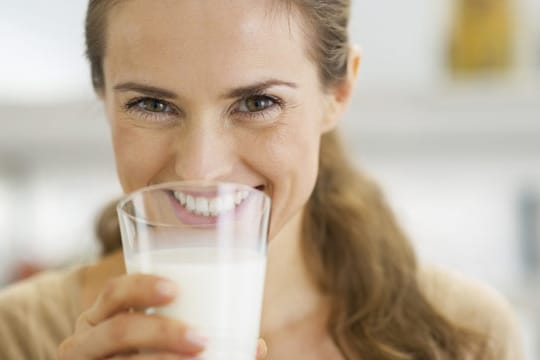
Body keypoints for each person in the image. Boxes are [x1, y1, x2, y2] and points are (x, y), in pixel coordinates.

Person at [0, 0, 523, 359]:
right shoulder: (20, 336)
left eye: (257, 103)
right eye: (152, 104)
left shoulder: (464, 335)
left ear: (337, 93)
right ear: (103, 98)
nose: (200, 169)